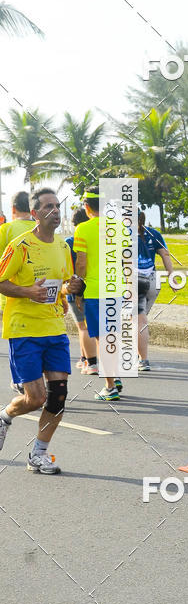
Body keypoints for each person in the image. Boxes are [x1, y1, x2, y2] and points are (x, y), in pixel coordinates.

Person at [0, 187, 85, 472]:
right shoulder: (21, 245)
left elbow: (63, 283)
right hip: (23, 329)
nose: (55, 211)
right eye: (48, 206)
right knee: (34, 399)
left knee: (58, 395)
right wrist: (26, 291)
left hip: (54, 328)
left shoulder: (63, 247)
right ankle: (5, 415)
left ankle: (39, 454)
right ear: (35, 213)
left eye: (57, 206)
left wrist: (70, 288)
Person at [74, 187, 121, 401]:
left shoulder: (82, 229)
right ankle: (115, 376)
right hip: (116, 289)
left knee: (102, 338)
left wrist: (77, 289)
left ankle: (110, 387)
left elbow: (81, 263)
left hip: (94, 291)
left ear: (86, 207)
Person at [137, 210, 174, 371]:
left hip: (134, 281)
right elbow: (165, 254)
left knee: (139, 322)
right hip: (153, 281)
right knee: (140, 320)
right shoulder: (153, 233)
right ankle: (137, 352)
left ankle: (143, 360)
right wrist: (171, 276)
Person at [64, 208, 95, 371]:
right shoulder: (94, 237)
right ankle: (85, 358)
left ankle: (92, 363)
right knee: (94, 326)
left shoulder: (70, 241)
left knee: (83, 327)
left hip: (76, 286)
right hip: (95, 287)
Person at [0, 191, 36, 315]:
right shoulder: (41, 228)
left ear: (14, 208)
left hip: (12, 297)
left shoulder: (6, 229)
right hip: (41, 293)